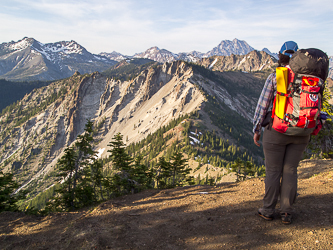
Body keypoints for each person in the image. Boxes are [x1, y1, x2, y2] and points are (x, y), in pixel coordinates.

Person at [252, 41, 310, 225]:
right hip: (301, 132)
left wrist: (256, 129)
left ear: (280, 55)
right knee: (291, 170)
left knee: (273, 170)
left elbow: (262, 106)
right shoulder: (310, 79)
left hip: (276, 130)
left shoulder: (275, 77)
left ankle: (268, 209)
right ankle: (286, 212)